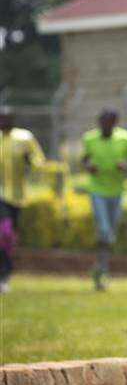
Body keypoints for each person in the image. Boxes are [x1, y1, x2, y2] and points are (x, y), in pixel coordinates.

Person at [82, 108, 127, 290]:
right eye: (102, 122)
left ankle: (99, 265)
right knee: (105, 229)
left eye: (109, 122)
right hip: (97, 190)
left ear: (115, 123)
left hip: (117, 190)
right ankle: (102, 268)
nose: (105, 125)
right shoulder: (89, 138)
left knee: (109, 233)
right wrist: (89, 166)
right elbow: (85, 159)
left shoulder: (126, 139)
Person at [0, 105, 46, 292]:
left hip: (17, 196)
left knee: (9, 237)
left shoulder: (24, 138)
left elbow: (40, 163)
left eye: (6, 118)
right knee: (4, 232)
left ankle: (5, 274)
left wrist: (29, 160)